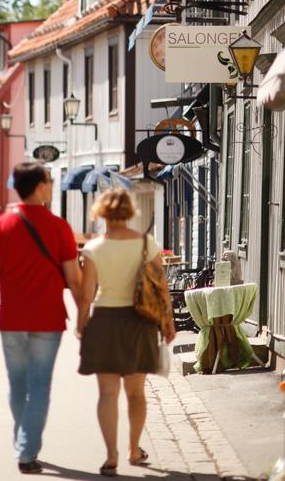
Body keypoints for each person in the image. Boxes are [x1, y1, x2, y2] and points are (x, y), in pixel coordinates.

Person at [0, 162, 81, 475]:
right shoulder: (59, 227)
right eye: (49, 182)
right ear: (38, 187)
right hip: (48, 320)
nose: (51, 187)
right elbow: (74, 279)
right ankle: (26, 450)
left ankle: (23, 439)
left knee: (17, 384)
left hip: (10, 319)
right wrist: (84, 315)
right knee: (39, 387)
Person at [77, 189, 176, 477]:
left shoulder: (94, 248)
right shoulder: (147, 244)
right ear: (130, 211)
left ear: (102, 212)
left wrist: (81, 323)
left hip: (105, 320)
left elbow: (86, 294)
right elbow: (161, 286)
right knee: (136, 393)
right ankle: (134, 449)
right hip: (140, 322)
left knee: (107, 393)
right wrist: (168, 320)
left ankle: (111, 455)